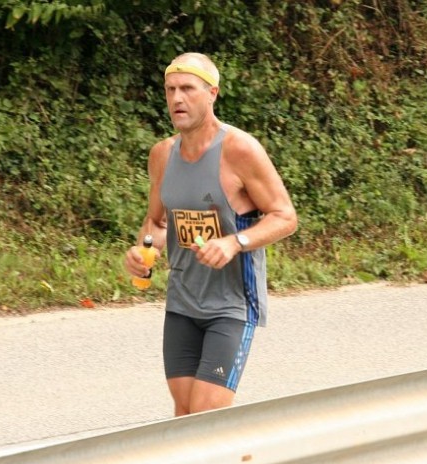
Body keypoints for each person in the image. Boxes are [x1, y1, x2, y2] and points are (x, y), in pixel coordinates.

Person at [124, 52, 298, 416]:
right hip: (183, 302)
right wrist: (144, 254)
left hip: (232, 305)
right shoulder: (162, 155)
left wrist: (235, 242)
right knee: (184, 414)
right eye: (170, 89)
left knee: (205, 419)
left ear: (212, 93)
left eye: (187, 88)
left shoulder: (239, 150)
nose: (176, 98)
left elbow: (285, 216)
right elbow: (156, 222)